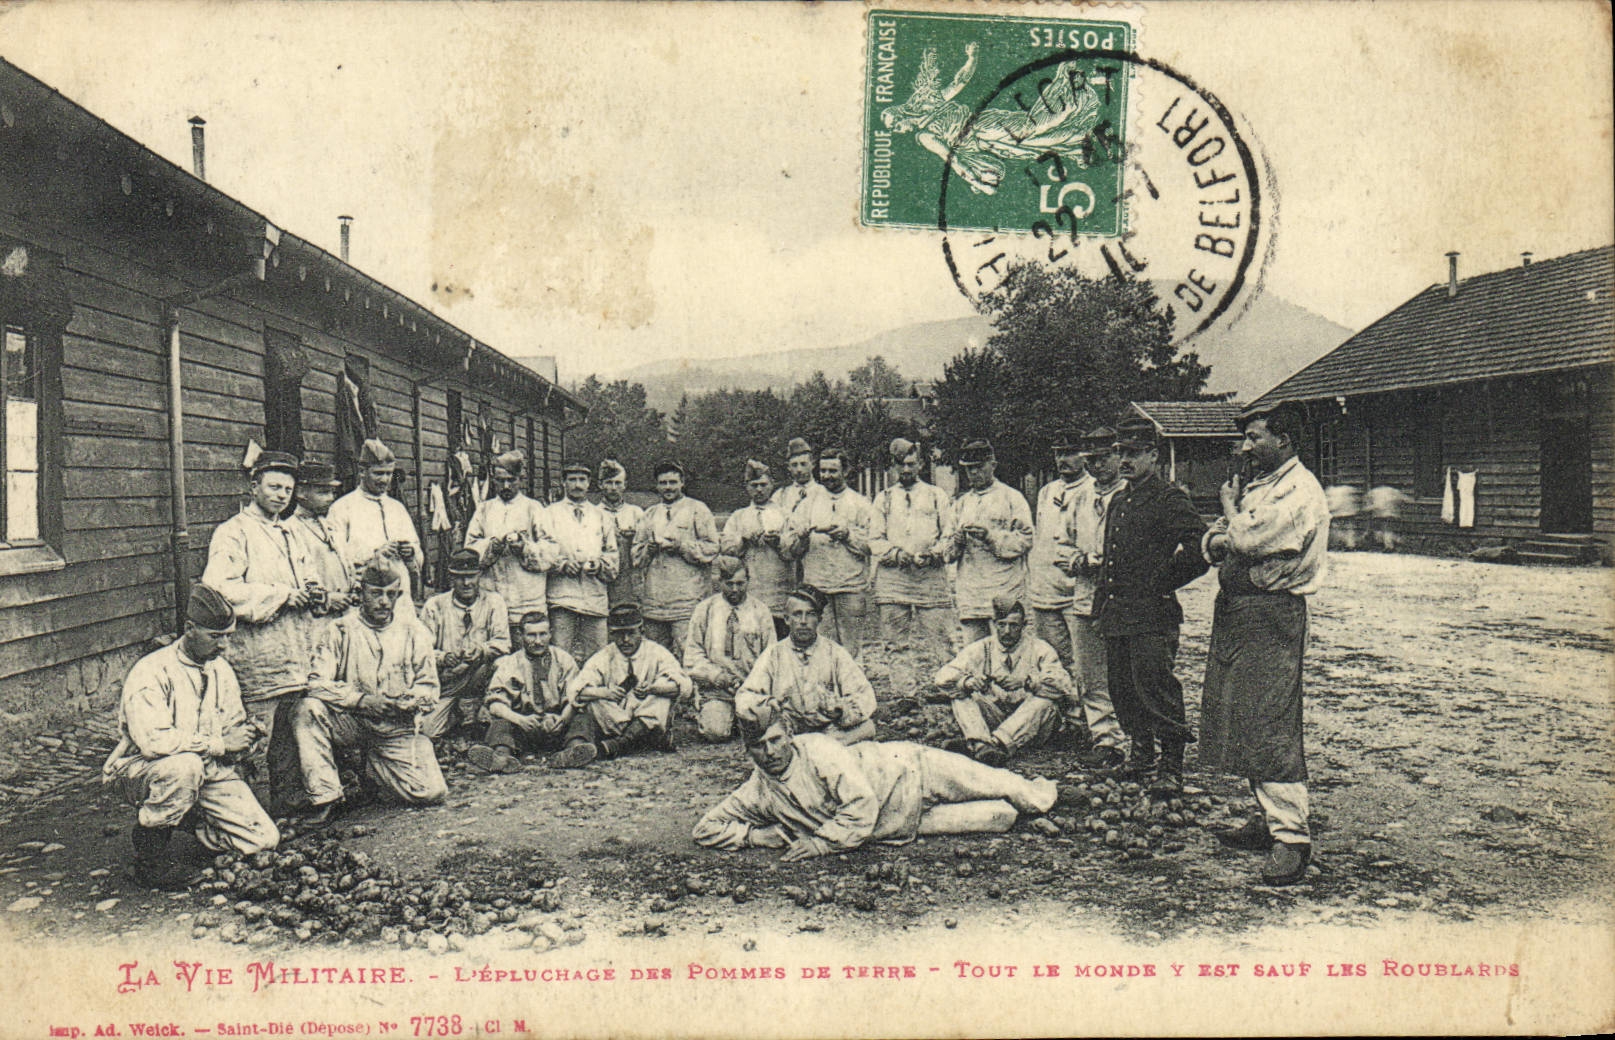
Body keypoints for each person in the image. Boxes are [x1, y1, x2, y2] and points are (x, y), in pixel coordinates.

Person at [1200, 404, 1331, 886]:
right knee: (1241, 716)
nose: (1246, 447)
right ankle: (1267, 817)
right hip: (1241, 610)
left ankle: (1293, 838)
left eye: (1255, 437)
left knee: (1270, 720)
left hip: (1271, 614)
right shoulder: (1263, 485)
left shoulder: (1300, 491)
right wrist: (1224, 533)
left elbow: (1247, 539)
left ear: (1286, 440)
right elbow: (1217, 539)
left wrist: (1231, 520)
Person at [692, 704, 1058, 858]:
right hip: (898, 822)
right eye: (759, 746)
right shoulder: (758, 790)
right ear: (748, 751)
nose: (770, 752)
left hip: (910, 770)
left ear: (788, 735)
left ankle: (1051, 795)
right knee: (998, 818)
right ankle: (1025, 812)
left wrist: (821, 844)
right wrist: (755, 836)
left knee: (1000, 783)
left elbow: (861, 804)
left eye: (775, 740)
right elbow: (705, 828)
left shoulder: (818, 750)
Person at [101, 584, 280, 889]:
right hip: (141, 770)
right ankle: (149, 860)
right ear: (189, 629)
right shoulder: (152, 671)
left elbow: (231, 730)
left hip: (207, 770)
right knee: (184, 767)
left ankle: (190, 817)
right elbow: (154, 742)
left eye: (228, 637)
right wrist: (220, 744)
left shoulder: (220, 669)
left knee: (263, 840)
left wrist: (246, 738)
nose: (224, 646)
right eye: (215, 637)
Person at [1092, 416, 1209, 796]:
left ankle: (1171, 765)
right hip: (1118, 615)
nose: (1125, 460)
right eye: (1121, 453)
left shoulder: (1169, 499)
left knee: (1156, 688)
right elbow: (1109, 559)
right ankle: (1141, 755)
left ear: (1154, 456)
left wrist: (1162, 581)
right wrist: (1100, 608)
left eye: (1134, 453)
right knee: (1122, 689)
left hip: (1152, 616)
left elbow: (1200, 550)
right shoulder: (1119, 500)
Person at [201, 449, 320, 814]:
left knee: (289, 729)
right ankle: (242, 809)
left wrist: (311, 589)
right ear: (254, 487)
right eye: (273, 486)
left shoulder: (291, 531)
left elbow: (305, 573)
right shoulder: (233, 533)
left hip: (293, 648)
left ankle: (285, 800)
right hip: (258, 652)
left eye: (288, 488)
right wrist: (282, 596)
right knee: (256, 731)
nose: (282, 495)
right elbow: (219, 589)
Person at [292, 557, 448, 823]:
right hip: (352, 720)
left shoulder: (414, 631)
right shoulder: (340, 629)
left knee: (432, 792)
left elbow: (429, 687)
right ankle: (326, 796)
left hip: (395, 726)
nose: (384, 602)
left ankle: (370, 770)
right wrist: (360, 700)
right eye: (376, 594)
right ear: (361, 592)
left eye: (391, 594)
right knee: (307, 710)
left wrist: (409, 702)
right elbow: (316, 683)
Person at [1055, 427, 1129, 770]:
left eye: (1104, 458)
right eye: (1092, 460)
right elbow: (1061, 545)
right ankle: (1106, 741)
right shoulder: (1082, 498)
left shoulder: (1130, 494)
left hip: (1125, 599)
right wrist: (1080, 561)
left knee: (1128, 673)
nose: (1098, 466)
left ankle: (1141, 742)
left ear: (1118, 456)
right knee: (1090, 673)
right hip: (1086, 596)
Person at [933, 595, 1074, 766]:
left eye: (1013, 625)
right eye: (1002, 625)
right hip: (996, 714)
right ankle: (981, 743)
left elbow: (1065, 685)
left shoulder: (1040, 648)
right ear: (994, 624)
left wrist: (1028, 682)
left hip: (1031, 724)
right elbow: (942, 677)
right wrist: (968, 681)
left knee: (1045, 703)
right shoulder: (982, 647)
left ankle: (990, 744)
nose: (1007, 631)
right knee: (961, 694)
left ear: (1024, 625)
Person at [551, 603, 692, 768]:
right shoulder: (605, 656)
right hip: (615, 720)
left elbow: (685, 687)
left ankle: (617, 745)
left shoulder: (657, 652)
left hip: (645, 718)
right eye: (619, 635)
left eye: (631, 634)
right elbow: (576, 691)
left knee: (659, 698)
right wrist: (605, 693)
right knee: (591, 701)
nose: (625, 640)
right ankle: (583, 749)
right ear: (611, 634)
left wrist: (653, 688)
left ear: (642, 632)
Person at [733, 585, 877, 745]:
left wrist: (841, 709)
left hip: (829, 729)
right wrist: (768, 705)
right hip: (787, 730)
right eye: (797, 614)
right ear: (787, 619)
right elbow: (744, 697)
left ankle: (822, 746)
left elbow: (865, 695)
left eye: (810, 615)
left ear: (819, 619)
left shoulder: (835, 653)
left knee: (867, 727)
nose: (803, 622)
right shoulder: (774, 654)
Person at [782, 447, 877, 655]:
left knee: (851, 649)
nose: (827, 476)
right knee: (822, 647)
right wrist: (802, 537)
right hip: (818, 587)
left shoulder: (861, 504)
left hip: (850, 586)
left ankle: (851, 686)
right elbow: (789, 550)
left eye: (833, 470)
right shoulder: (807, 504)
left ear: (846, 471)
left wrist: (847, 535)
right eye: (823, 471)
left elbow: (872, 545)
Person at [869, 437, 956, 663]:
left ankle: (947, 686)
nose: (906, 469)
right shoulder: (884, 499)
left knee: (942, 637)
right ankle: (904, 694)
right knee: (895, 643)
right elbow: (875, 539)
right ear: (894, 466)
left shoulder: (936, 495)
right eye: (901, 464)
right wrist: (897, 554)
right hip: (894, 579)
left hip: (930, 577)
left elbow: (949, 534)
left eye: (911, 464)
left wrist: (934, 554)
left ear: (921, 465)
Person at [466, 611, 581, 774]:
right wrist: (520, 720)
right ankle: (502, 756)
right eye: (532, 635)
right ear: (521, 636)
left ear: (551, 634)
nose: (538, 641)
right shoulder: (510, 663)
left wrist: (562, 718)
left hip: (556, 725)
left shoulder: (564, 659)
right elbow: (495, 704)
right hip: (524, 726)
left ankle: (573, 751)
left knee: (582, 716)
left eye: (543, 634)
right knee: (501, 721)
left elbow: (575, 697)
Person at [417, 549, 511, 740]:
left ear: (480, 575)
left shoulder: (494, 601)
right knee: (427, 730)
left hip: (481, 674)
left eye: (471, 576)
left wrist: (482, 650)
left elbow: (503, 643)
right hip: (448, 679)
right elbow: (421, 650)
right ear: (452, 578)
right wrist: (443, 657)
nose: (466, 583)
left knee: (505, 663)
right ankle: (457, 716)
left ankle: (484, 714)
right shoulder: (435, 605)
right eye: (460, 578)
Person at [327, 438, 424, 622]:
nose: (385, 480)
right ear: (363, 472)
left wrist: (410, 552)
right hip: (363, 599)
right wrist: (374, 554)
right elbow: (336, 559)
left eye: (388, 473)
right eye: (378, 473)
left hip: (399, 597)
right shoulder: (342, 508)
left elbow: (417, 553)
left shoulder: (397, 508)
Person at [684, 556, 777, 742]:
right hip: (717, 691)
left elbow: (772, 656)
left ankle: (740, 718)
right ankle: (715, 714)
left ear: (748, 581)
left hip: (751, 689)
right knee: (715, 732)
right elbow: (692, 656)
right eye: (730, 583)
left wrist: (753, 684)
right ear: (720, 583)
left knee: (763, 729)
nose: (735, 589)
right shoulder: (705, 610)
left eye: (740, 583)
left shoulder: (761, 611)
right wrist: (716, 677)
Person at [949, 439, 1033, 644]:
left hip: (1004, 589)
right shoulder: (961, 504)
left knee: (1007, 649)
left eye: (979, 467)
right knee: (974, 654)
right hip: (971, 592)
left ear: (992, 465)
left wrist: (990, 536)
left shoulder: (1011, 498)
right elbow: (946, 549)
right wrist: (957, 542)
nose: (973, 474)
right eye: (969, 469)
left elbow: (1026, 539)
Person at [631, 461, 719, 654]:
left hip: (687, 600)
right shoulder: (650, 514)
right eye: (663, 483)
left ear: (682, 483)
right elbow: (636, 556)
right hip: (655, 601)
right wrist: (650, 549)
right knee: (656, 654)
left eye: (673, 482)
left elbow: (712, 548)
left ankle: (689, 685)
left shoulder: (698, 509)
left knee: (688, 652)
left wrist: (682, 547)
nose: (668, 487)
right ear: (657, 486)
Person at [465, 450, 557, 631]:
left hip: (526, 599)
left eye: (511, 480)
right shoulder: (484, 510)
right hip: (490, 596)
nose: (506, 486)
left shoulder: (534, 508)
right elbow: (469, 549)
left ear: (520, 479)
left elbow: (552, 550)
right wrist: (491, 547)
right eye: (500, 480)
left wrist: (524, 548)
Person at [1027, 435, 1088, 692]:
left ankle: (1086, 716)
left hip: (1076, 593)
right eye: (1058, 453)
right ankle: (1061, 716)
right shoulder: (1047, 491)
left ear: (1084, 455)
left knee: (1083, 663)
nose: (1063, 460)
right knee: (1052, 662)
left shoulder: (1093, 489)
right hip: (1045, 592)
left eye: (1070, 452)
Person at [546, 460, 621, 663]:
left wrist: (599, 565)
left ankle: (595, 692)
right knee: (560, 654)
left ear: (589, 483)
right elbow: (543, 551)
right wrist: (561, 565)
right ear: (563, 483)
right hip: (562, 596)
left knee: (598, 655)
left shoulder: (601, 516)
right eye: (572, 480)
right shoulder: (549, 514)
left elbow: (612, 554)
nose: (577, 485)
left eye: (582, 480)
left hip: (594, 596)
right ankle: (563, 693)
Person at [718, 459, 792, 638]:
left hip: (779, 591)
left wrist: (777, 542)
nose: (759, 490)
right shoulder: (739, 517)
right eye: (754, 485)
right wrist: (743, 541)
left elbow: (795, 550)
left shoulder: (785, 515)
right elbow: (726, 548)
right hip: (749, 590)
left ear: (771, 485)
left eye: (763, 485)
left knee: (779, 640)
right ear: (747, 487)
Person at [289, 458, 357, 622]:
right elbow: (297, 578)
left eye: (331, 492)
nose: (330, 498)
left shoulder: (328, 525)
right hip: (315, 617)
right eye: (322, 493)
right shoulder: (291, 529)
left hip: (344, 612)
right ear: (301, 493)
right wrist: (327, 598)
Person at [597, 458, 647, 609]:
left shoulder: (636, 513)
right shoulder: (593, 514)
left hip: (631, 583)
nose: (613, 488)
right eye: (609, 482)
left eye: (618, 483)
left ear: (625, 485)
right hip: (603, 584)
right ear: (600, 485)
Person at [1365, 485, 1408, 551]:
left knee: (1383, 531)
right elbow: (1404, 500)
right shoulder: (1394, 491)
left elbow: (1369, 501)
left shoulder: (1374, 492)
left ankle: (1389, 546)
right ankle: (1391, 543)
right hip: (1391, 513)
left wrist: (1368, 508)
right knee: (1387, 531)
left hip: (1379, 514)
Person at [1326, 484, 1362, 550]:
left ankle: (1338, 544)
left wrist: (1329, 509)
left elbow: (1334, 504)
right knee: (1349, 531)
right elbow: (1355, 500)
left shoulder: (1331, 491)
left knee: (1337, 531)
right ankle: (1350, 545)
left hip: (1338, 514)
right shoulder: (1349, 489)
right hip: (1349, 513)